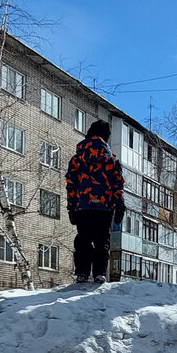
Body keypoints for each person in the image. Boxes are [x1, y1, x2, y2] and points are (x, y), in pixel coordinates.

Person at [65, 119, 125, 283]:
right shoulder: (112, 161)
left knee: (83, 238)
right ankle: (99, 273)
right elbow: (117, 186)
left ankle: (82, 273)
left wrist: (71, 207)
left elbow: (71, 184)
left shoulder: (77, 159)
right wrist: (119, 205)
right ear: (105, 137)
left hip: (83, 206)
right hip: (104, 207)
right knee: (102, 239)